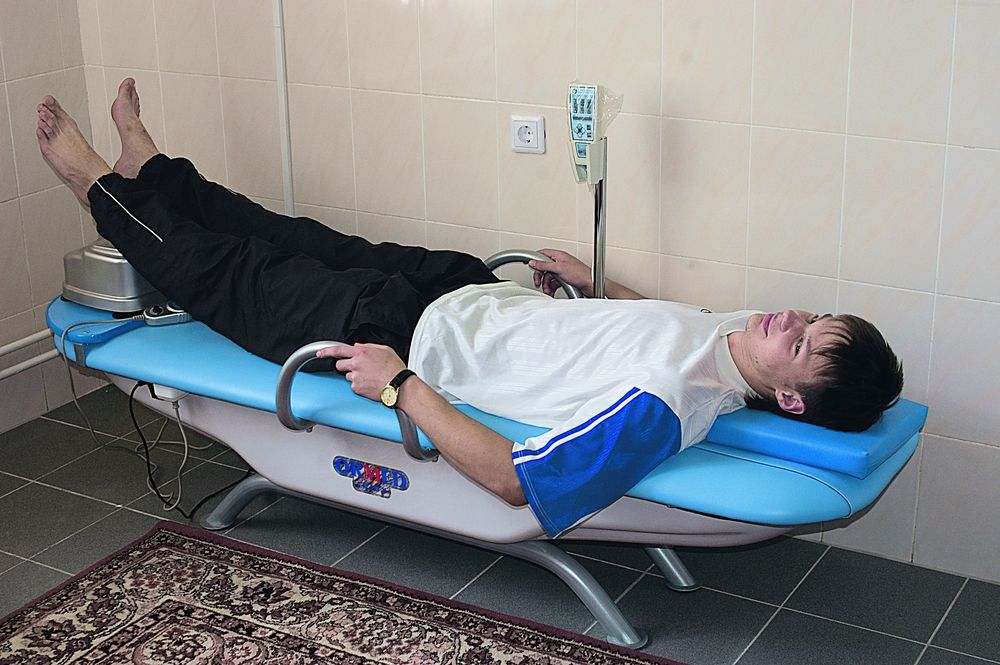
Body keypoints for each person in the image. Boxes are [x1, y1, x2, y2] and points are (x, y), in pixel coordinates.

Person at [36, 79, 904, 537]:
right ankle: (151, 170)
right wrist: (595, 285)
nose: (789, 321)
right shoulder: (734, 338)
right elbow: (657, 320)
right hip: (459, 286)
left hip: (402, 336)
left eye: (803, 344)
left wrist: (400, 385)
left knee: (234, 273)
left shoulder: (670, 408)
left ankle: (95, 185)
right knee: (281, 232)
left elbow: (519, 481)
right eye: (811, 317)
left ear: (789, 399)